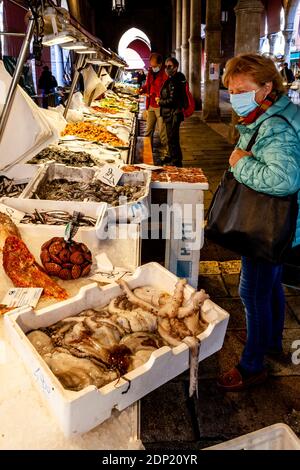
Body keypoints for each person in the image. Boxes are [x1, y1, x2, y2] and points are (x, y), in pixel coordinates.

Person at [217, 53, 300, 392]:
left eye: (242, 89)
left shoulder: (275, 127)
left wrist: (239, 162)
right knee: (270, 286)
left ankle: (252, 364)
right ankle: (270, 342)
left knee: (251, 291)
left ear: (267, 87)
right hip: (283, 228)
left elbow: (285, 179)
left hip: (265, 227)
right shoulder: (271, 114)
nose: (235, 96)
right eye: (231, 89)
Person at [157, 57, 187, 167]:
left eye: (169, 66)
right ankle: (172, 157)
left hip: (173, 114)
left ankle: (176, 162)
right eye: (166, 66)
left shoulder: (175, 80)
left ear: (175, 67)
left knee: (173, 139)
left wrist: (160, 102)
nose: (167, 68)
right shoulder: (172, 78)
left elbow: (173, 100)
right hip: (170, 113)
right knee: (171, 138)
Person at [140, 53, 169, 159]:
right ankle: (147, 152)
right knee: (148, 130)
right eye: (151, 65)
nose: (152, 67)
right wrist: (143, 89)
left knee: (162, 132)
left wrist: (154, 94)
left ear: (160, 64)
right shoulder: (150, 73)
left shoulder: (165, 74)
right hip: (151, 105)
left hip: (160, 106)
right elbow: (148, 85)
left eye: (154, 65)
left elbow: (165, 89)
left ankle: (167, 153)